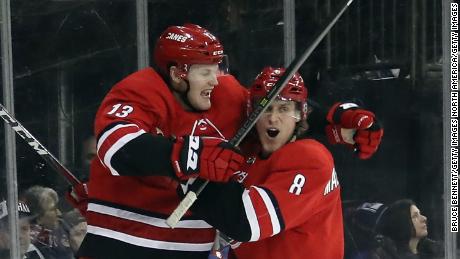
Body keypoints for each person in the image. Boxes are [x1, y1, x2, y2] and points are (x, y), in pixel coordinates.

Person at [72, 24, 383, 259]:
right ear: (178, 74)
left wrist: (335, 119)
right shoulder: (140, 91)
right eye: (206, 71)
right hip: (121, 243)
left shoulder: (228, 93)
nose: (216, 79)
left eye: (218, 69)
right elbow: (117, 147)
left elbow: (268, 108)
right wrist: (189, 158)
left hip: (187, 247)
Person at [188, 67, 345, 259]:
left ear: (300, 115)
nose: (273, 118)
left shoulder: (312, 158)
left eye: (284, 109)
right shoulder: (247, 155)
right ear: (252, 115)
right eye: (266, 108)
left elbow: (245, 222)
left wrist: (189, 172)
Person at [371, 199, 444, 259]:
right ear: (403, 223)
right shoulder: (383, 256)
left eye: (420, 214)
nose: (424, 218)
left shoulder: (438, 251)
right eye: (415, 216)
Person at [23, 186, 73, 259]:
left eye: (57, 207)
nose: (59, 213)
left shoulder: (64, 226)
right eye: (52, 209)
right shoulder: (31, 245)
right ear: (38, 217)